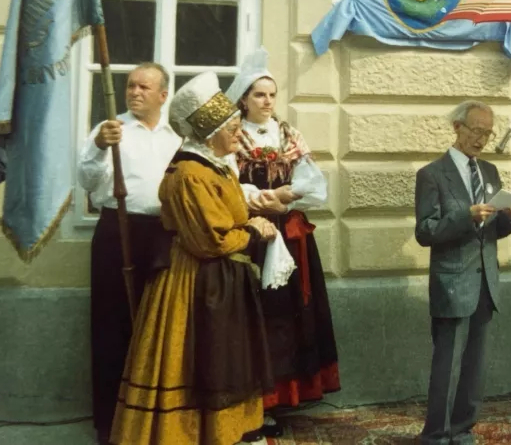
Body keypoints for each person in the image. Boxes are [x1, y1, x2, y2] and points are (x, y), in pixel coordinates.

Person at [109, 72, 277, 445]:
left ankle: (221, 432)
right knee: (194, 359)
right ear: (210, 132)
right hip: (191, 282)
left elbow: (224, 218)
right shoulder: (189, 173)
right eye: (232, 128)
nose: (239, 135)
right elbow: (209, 240)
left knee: (221, 360)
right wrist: (252, 231)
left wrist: (251, 219)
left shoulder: (216, 166)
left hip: (219, 278)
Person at [224, 47, 340, 437]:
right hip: (252, 235)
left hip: (289, 236)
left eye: (272, 94)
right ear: (243, 99)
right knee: (255, 316)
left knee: (290, 316)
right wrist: (257, 198)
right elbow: (225, 186)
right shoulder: (232, 137)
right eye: (259, 94)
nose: (267, 100)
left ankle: (284, 396)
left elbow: (314, 185)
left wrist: (288, 195)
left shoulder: (289, 134)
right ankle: (252, 401)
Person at [75, 63, 182, 444]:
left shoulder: (176, 135)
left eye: (143, 86)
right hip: (116, 231)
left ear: (163, 95)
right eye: (130, 85)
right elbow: (87, 182)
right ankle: (110, 423)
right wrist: (99, 147)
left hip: (163, 235)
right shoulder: (110, 130)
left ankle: (155, 420)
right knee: (112, 326)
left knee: (159, 328)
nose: (134, 92)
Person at [414, 100, 511, 445]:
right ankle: (435, 436)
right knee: (447, 366)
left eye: (488, 133)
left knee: (476, 366)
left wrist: (509, 219)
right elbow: (425, 231)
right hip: (452, 283)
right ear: (457, 128)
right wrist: (466, 216)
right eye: (476, 130)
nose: (482, 139)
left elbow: (490, 231)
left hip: (485, 284)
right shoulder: (432, 174)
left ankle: (462, 428)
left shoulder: (490, 173)